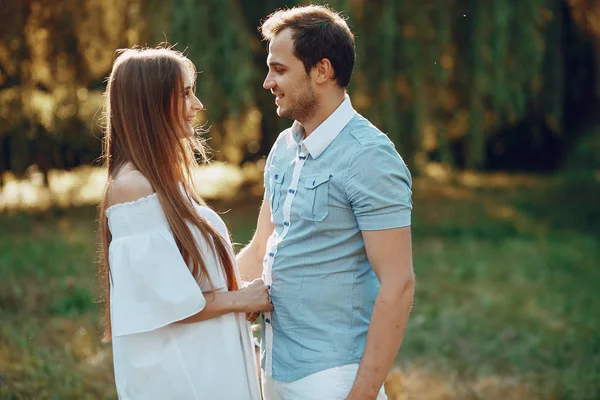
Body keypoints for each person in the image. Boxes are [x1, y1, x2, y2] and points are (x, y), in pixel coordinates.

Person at [236, 5, 415, 400]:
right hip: (271, 370)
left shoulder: (370, 156)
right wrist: (208, 296)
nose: (267, 82)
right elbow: (262, 246)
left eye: (279, 70)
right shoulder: (284, 147)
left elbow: (398, 285)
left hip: (334, 380)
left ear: (322, 70)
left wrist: (361, 395)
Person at [97, 46, 271, 400]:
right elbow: (165, 302)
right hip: (180, 375)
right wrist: (239, 299)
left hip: (204, 362)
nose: (198, 105)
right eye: (187, 93)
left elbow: (189, 279)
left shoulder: (164, 183)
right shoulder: (132, 188)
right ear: (153, 103)